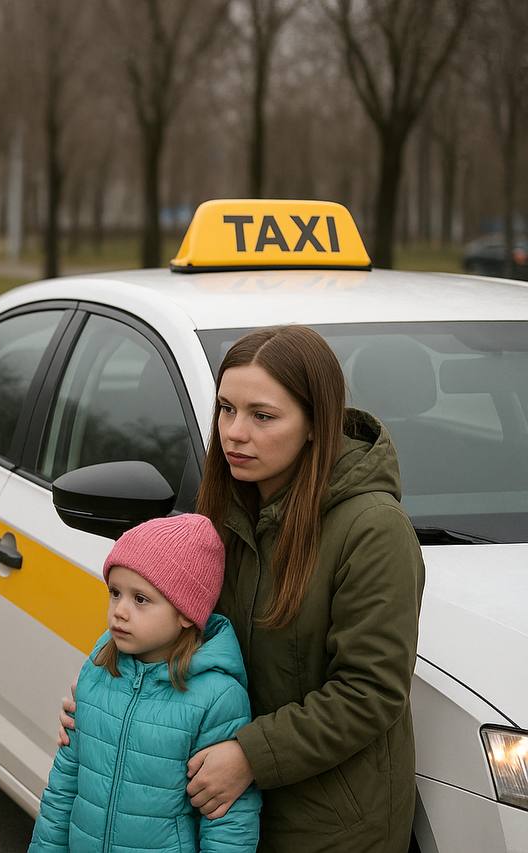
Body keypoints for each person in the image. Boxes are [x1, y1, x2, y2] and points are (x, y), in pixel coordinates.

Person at [58, 325, 424, 852]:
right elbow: (184, 637)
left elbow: (370, 691)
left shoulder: (373, 530)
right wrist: (108, 703)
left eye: (262, 416)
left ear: (316, 424)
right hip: (223, 813)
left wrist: (249, 755)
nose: (234, 432)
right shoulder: (225, 507)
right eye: (226, 410)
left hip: (327, 828)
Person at [29, 513, 261, 852]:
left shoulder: (216, 697)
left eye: (140, 599)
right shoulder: (99, 671)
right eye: (115, 593)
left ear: (185, 613)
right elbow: (64, 787)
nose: (119, 611)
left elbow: (227, 822)